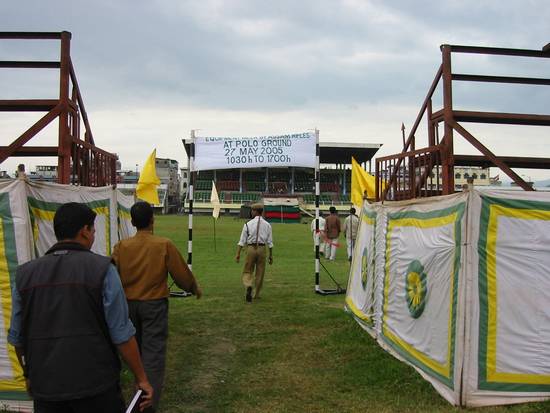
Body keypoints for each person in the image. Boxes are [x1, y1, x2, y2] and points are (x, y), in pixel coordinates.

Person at [8, 202, 153, 413]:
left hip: (46, 387)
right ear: (84, 232)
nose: (93, 235)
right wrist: (142, 378)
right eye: (93, 230)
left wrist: (28, 374)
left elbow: (17, 338)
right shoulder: (103, 269)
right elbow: (121, 334)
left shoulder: (24, 275)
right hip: (96, 386)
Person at [112, 201, 202, 413]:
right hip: (154, 306)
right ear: (152, 220)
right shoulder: (163, 244)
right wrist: (193, 287)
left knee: (135, 354)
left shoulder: (121, 247)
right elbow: (180, 274)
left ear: (132, 222)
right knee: (153, 357)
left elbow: (112, 277)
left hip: (128, 306)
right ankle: (146, 405)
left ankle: (138, 392)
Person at [235, 203, 273, 302]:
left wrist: (238, 253)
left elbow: (242, 240)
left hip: (251, 249)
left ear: (255, 211)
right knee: (260, 272)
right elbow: (270, 242)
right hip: (262, 249)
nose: (251, 212)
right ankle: (256, 294)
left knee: (248, 270)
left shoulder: (247, 224)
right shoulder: (267, 225)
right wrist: (271, 255)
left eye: (252, 210)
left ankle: (248, 285)